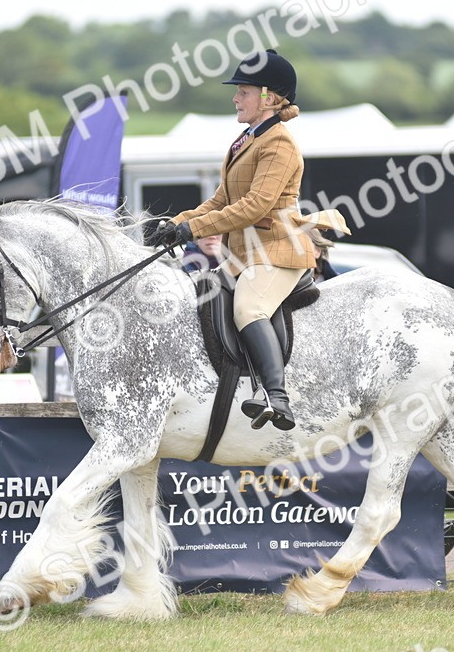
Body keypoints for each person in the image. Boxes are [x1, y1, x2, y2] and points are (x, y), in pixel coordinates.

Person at [146, 49, 347, 430]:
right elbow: (222, 200)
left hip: (277, 251)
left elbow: (255, 206)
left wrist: (195, 230)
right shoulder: (247, 139)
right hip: (244, 253)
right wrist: (175, 223)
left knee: (248, 309)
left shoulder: (279, 144)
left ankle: (277, 396)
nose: (235, 98)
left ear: (269, 97)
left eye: (243, 91)